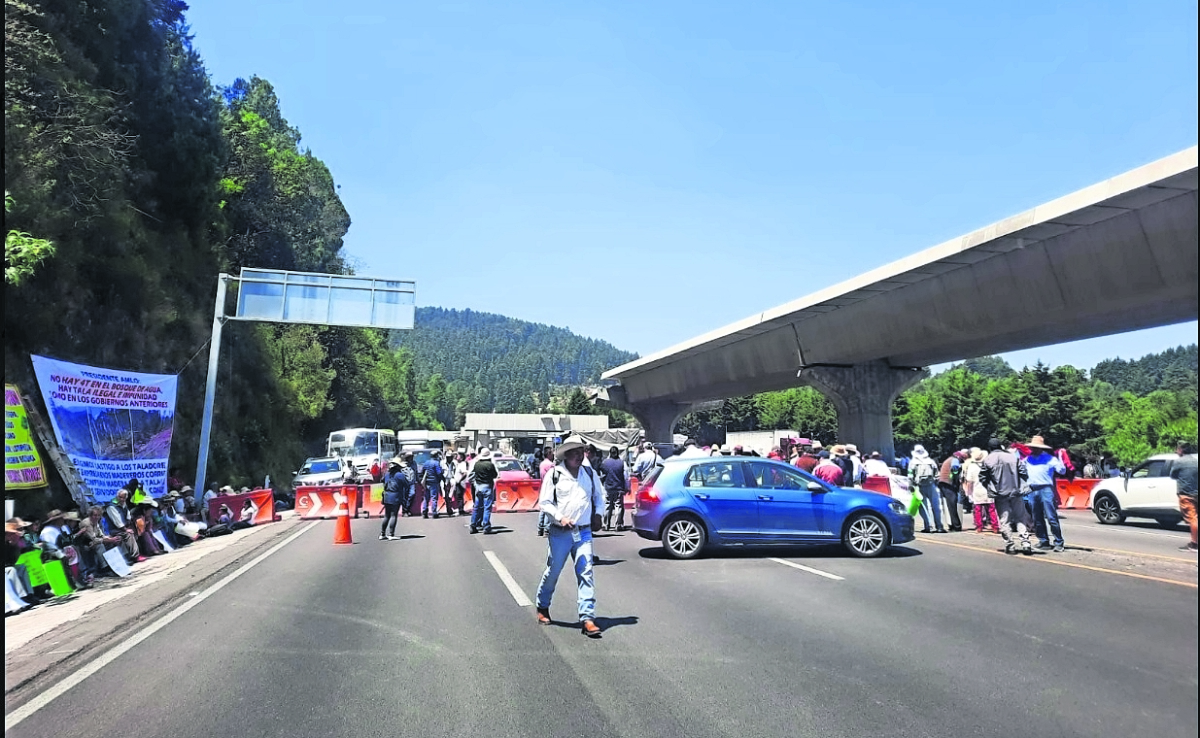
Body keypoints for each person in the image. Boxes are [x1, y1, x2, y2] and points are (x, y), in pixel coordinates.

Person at [534, 440, 605, 638]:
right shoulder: (554, 474)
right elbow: (545, 503)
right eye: (574, 452)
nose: (578, 456)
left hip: (583, 532)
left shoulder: (589, 474)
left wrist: (598, 514)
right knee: (554, 571)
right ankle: (543, 605)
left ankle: (587, 618)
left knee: (586, 572)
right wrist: (560, 518)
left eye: (581, 452)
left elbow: (600, 497)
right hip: (560, 532)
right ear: (566, 455)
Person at [980, 438, 1032, 554]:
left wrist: (991, 488)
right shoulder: (1012, 457)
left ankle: (1010, 545)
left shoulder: (988, 460)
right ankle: (1026, 544)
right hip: (1016, 492)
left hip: (1000, 494)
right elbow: (1023, 472)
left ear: (990, 448)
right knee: (1021, 518)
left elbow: (982, 477)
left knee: (1005, 520)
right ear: (1001, 446)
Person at [1023, 436, 1067, 551]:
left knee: (1051, 516)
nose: (1034, 449)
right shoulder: (1027, 459)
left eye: (1036, 447)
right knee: (1037, 517)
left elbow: (1062, 471)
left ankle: (1058, 541)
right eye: (1033, 447)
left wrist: (1061, 459)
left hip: (1045, 488)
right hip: (1032, 489)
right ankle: (1043, 540)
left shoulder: (1050, 459)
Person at [962, 448, 1000, 534]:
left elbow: (969, 480)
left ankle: (979, 527)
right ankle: (995, 527)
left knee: (978, 509)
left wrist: (969, 492)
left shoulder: (972, 466)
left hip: (977, 489)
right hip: (988, 488)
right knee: (991, 509)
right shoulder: (988, 464)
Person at [909, 445, 944, 533]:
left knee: (923, 507)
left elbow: (910, 476)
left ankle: (928, 527)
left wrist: (911, 486)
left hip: (919, 486)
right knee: (935, 506)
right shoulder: (930, 461)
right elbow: (937, 474)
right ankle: (939, 526)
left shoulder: (913, 462)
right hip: (931, 485)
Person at [106, 487, 147, 562]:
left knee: (136, 529)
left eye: (124, 498)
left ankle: (143, 551)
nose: (122, 499)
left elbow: (128, 515)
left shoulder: (123, 504)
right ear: (117, 496)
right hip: (115, 529)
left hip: (123, 526)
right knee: (128, 534)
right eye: (121, 497)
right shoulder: (111, 506)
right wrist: (126, 529)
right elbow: (117, 522)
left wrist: (130, 524)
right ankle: (135, 556)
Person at [1170, 441, 1197, 552]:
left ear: (1181, 450)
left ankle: (1194, 544)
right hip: (1197, 493)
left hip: (1187, 494)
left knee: (1193, 519)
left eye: (1177, 449)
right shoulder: (1196, 461)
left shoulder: (1179, 462)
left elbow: (1173, 475)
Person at [470, 447, 499, 534]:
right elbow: (495, 475)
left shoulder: (477, 464)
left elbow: (473, 474)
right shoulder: (490, 465)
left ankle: (473, 525)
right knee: (487, 507)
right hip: (487, 486)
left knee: (477, 506)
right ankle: (486, 526)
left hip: (478, 486)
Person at [380, 457, 410, 540]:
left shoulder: (387, 474)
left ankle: (382, 533)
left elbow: (382, 481)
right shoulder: (399, 475)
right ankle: (391, 534)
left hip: (386, 496)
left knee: (387, 516)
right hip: (395, 496)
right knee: (393, 515)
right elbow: (406, 484)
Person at [600, 446, 628, 531]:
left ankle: (606, 524)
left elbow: (602, 475)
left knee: (607, 505)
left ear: (609, 453)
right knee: (618, 506)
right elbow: (626, 476)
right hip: (619, 487)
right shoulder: (622, 463)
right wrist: (626, 487)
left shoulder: (605, 462)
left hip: (608, 487)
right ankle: (618, 524)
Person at [937, 451, 964, 532]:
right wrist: (956, 480)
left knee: (949, 505)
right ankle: (956, 526)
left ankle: (952, 524)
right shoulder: (955, 460)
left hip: (943, 483)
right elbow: (955, 469)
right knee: (952, 505)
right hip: (948, 483)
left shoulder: (949, 459)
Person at [420, 450, 446, 519]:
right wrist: (442, 479)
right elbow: (439, 473)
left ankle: (425, 512)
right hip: (434, 482)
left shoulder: (426, 462)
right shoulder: (436, 463)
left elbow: (422, 471)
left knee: (426, 498)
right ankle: (434, 512)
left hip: (427, 482)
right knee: (434, 498)